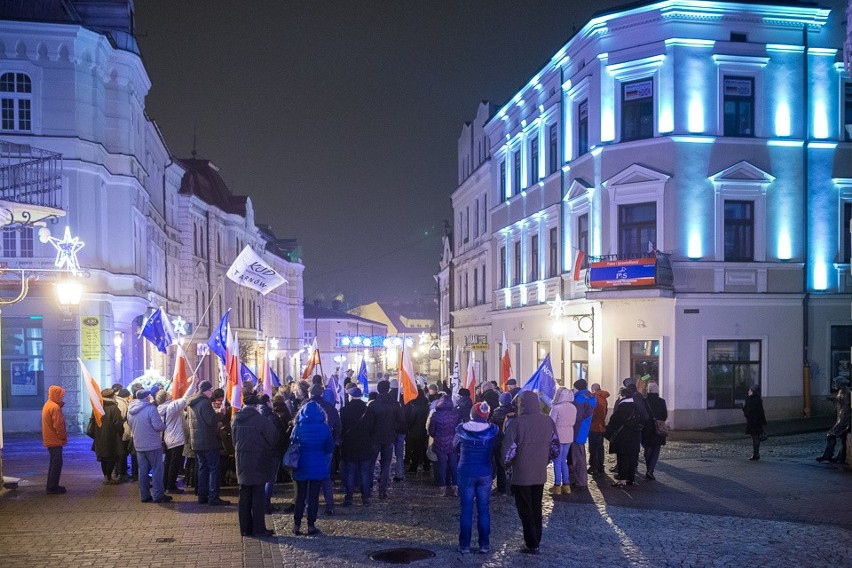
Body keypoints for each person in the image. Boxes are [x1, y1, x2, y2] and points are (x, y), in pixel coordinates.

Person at [501, 390, 559, 554]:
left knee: (525, 508)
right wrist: (545, 459)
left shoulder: (517, 423)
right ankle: (536, 539)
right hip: (539, 473)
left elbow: (507, 451)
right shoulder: (547, 421)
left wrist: (507, 466)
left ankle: (531, 543)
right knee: (536, 507)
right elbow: (555, 447)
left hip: (521, 474)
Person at [232, 393, 279, 537]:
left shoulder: (236, 419)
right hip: (258, 460)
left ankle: (245, 529)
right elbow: (273, 438)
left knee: (244, 495)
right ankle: (259, 529)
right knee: (258, 497)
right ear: (256, 405)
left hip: (242, 460)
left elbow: (234, 441)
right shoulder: (261, 420)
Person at [454, 402, 498, 554]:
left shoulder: (461, 429)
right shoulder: (492, 430)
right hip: (485, 471)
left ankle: (464, 545)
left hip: (466, 470)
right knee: (484, 510)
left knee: (466, 510)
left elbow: (453, 446)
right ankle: (484, 545)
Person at [291, 400, 334, 536]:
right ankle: (311, 525)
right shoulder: (324, 428)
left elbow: (292, 443)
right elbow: (329, 448)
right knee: (314, 496)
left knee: (300, 496)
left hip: (301, 464)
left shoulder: (298, 427)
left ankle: (296, 524)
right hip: (318, 465)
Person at [187, 380, 230, 505]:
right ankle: (213, 497)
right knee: (213, 469)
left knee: (202, 469)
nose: (212, 392)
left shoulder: (192, 402)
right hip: (208, 441)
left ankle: (202, 496)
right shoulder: (204, 403)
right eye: (211, 389)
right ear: (206, 390)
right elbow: (211, 421)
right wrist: (220, 414)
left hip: (197, 441)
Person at [127, 389, 170, 503]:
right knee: (157, 470)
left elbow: (130, 424)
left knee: (143, 471)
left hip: (139, 444)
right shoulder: (151, 409)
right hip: (152, 444)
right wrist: (163, 426)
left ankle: (144, 495)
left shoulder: (130, 409)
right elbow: (157, 426)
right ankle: (158, 495)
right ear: (147, 397)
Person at [157, 376, 198, 493]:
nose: (171, 394)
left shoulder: (160, 408)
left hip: (166, 439)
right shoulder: (171, 407)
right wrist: (193, 384)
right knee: (174, 464)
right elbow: (185, 398)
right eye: (168, 394)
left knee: (168, 463)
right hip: (175, 439)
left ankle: (166, 484)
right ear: (165, 398)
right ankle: (170, 486)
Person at [368, 379, 405, 498]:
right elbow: (400, 421)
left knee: (371, 464)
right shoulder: (395, 404)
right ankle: (382, 491)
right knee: (386, 465)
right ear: (388, 389)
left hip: (374, 437)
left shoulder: (373, 405)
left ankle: (368, 488)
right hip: (389, 437)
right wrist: (394, 428)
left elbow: (368, 422)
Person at [339, 387, 375, 506]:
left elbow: (341, 428)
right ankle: (365, 498)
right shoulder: (368, 410)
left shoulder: (344, 410)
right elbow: (371, 428)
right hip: (365, 445)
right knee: (364, 472)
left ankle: (349, 498)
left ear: (350, 396)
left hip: (349, 445)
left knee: (350, 472)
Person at [606, 383, 645, 486]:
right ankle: (630, 479)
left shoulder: (622, 407)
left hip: (623, 437)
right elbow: (644, 418)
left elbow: (613, 421)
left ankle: (622, 479)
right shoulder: (637, 406)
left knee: (622, 457)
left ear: (622, 396)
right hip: (635, 436)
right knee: (632, 457)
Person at [87, 388, 124, 485]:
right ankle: (108, 477)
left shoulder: (97, 408)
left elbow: (93, 422)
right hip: (112, 437)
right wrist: (121, 433)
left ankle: (106, 477)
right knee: (112, 458)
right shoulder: (114, 408)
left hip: (99, 436)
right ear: (112, 396)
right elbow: (118, 423)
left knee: (103, 458)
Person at [427, 393, 459, 496]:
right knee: (454, 465)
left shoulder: (435, 415)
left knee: (441, 465)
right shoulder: (455, 414)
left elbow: (431, 431)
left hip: (440, 443)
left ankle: (442, 488)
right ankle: (455, 487)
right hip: (453, 443)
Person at [548, 387, 576, 495]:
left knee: (557, 460)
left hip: (558, 436)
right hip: (569, 435)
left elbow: (551, 423)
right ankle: (566, 484)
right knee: (563, 460)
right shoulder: (573, 407)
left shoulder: (556, 408)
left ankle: (557, 485)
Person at [817, 377, 851, 464]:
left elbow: (845, 404)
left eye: (836, 383)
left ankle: (828, 455)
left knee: (830, 434)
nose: (834, 385)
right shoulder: (843, 391)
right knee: (843, 439)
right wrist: (833, 399)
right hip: (842, 418)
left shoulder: (845, 392)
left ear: (840, 383)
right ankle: (841, 457)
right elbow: (840, 401)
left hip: (844, 419)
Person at [569, 379, 595, 488]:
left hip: (577, 430)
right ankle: (579, 480)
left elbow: (577, 417)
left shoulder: (579, 398)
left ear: (577, 387)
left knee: (578, 458)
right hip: (584, 429)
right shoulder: (590, 396)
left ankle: (580, 481)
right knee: (579, 455)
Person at [42, 385, 68, 494]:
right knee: (56, 464)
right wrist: (63, 437)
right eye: (61, 395)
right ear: (56, 395)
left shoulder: (48, 404)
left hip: (50, 439)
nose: (62, 397)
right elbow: (59, 425)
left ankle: (52, 485)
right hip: (55, 439)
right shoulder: (54, 407)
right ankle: (52, 487)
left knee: (53, 463)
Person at [489, 392, 515, 496]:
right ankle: (513, 488)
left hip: (498, 441)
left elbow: (491, 426)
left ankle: (502, 488)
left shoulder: (496, 412)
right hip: (511, 442)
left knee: (500, 466)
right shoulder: (514, 412)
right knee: (512, 465)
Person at [642, 382, 668, 479]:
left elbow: (642, 414)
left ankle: (649, 468)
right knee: (656, 450)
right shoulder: (662, 401)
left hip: (646, 429)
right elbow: (665, 415)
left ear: (648, 390)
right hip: (658, 428)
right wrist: (659, 421)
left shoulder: (644, 401)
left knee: (647, 449)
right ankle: (650, 470)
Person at [405, 388, 430, 474]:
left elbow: (411, 419)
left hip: (415, 431)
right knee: (424, 448)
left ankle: (413, 467)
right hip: (425, 430)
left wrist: (409, 427)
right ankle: (426, 466)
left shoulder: (414, 406)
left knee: (415, 449)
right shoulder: (427, 405)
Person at [587, 383, 609, 476]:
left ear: (593, 389)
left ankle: (593, 466)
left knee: (593, 448)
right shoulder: (604, 399)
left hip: (594, 427)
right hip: (601, 426)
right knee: (600, 447)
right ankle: (600, 466)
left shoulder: (594, 399)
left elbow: (593, 414)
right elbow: (605, 411)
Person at [743, 384, 767, 461]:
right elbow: (761, 412)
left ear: (753, 391)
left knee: (755, 437)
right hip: (757, 421)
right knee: (756, 437)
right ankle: (756, 453)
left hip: (753, 421)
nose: (748, 391)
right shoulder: (758, 399)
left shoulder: (750, 399)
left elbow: (748, 411)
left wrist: (745, 411)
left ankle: (756, 454)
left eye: (750, 390)